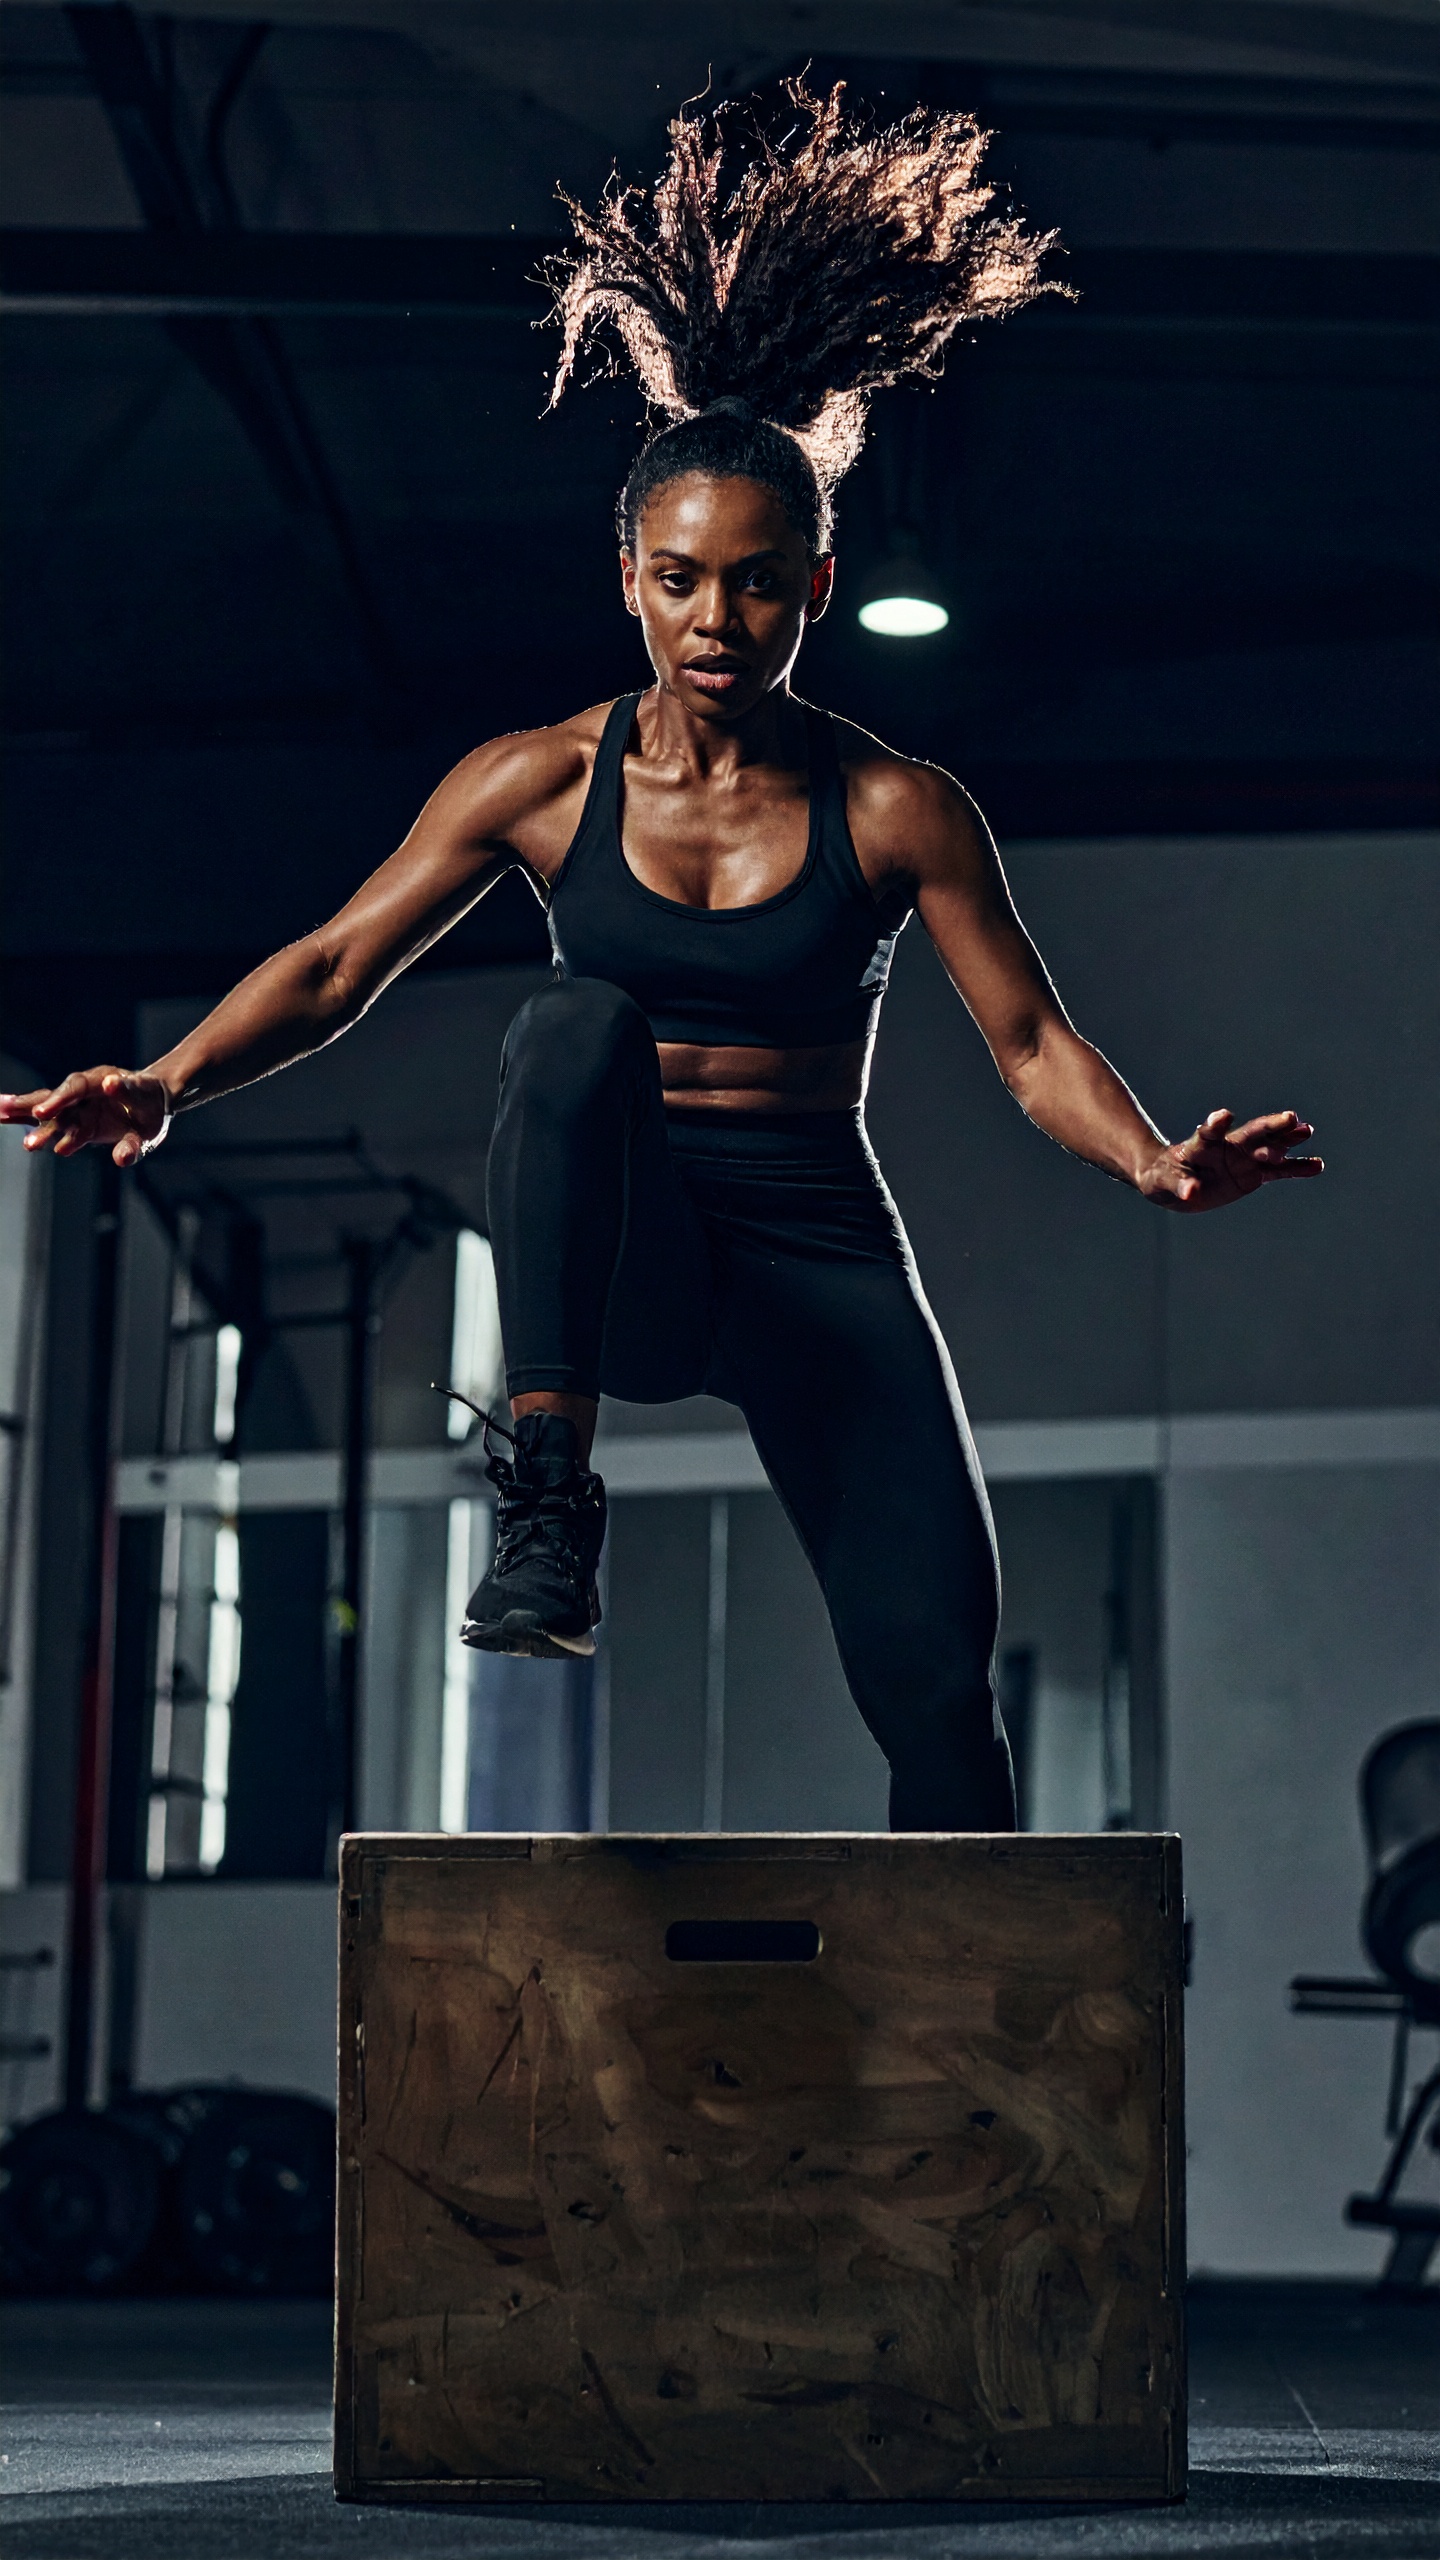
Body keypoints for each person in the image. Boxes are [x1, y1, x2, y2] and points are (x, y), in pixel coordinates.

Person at [1, 83, 1323, 1833]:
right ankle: (547, 1498)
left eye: (760, 586)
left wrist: (1150, 1156)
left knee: (945, 1700)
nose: (720, 622)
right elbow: (334, 967)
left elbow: (1026, 1043)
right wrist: (167, 1081)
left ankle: (971, 2077)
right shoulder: (540, 779)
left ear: (817, 588)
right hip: (623, 1250)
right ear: (629, 578)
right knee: (569, 1027)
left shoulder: (898, 806)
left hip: (815, 1252)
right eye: (686, 581)